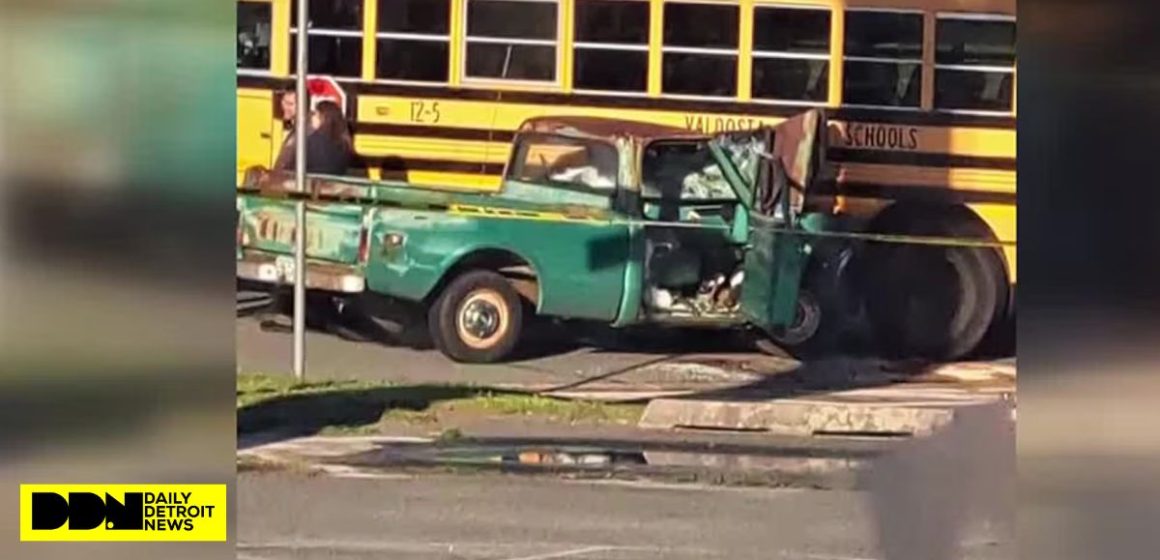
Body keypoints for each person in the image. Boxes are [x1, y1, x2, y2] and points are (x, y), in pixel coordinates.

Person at [277, 100, 353, 176]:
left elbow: (291, 166)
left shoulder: (311, 141)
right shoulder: (344, 143)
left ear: (323, 118)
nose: (312, 117)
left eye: (315, 114)